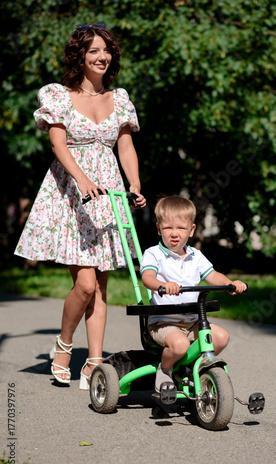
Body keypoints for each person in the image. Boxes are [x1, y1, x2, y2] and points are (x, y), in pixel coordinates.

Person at [14, 22, 146, 389]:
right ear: (80, 57)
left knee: (101, 287)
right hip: (71, 195)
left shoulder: (119, 98)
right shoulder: (58, 95)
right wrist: (82, 179)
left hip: (108, 196)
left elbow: (125, 147)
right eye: (93, 52)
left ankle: (94, 362)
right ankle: (64, 343)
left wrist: (134, 183)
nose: (102, 57)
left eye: (106, 51)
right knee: (85, 285)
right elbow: (58, 144)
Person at [140, 195, 247, 393]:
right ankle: (166, 369)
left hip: (193, 321)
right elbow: (147, 277)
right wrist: (162, 285)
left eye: (180, 228)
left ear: (191, 230)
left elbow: (213, 275)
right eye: (168, 228)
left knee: (221, 337)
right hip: (164, 322)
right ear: (158, 229)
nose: (174, 234)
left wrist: (230, 283)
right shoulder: (153, 253)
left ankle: (192, 368)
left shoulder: (196, 256)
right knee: (179, 345)